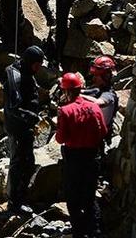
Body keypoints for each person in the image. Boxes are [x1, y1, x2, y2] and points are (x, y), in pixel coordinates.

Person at [56, 72, 108, 238]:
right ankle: (95, 231)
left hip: (74, 158)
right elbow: (104, 131)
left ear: (66, 91)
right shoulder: (94, 107)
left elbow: (60, 138)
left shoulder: (65, 111)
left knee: (73, 197)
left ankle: (79, 232)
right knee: (89, 196)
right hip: (92, 156)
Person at [1, 45, 44, 214]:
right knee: (18, 164)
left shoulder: (26, 72)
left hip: (24, 126)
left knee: (28, 164)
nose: (38, 69)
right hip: (17, 127)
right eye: (37, 65)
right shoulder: (15, 76)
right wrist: (31, 117)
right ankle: (15, 203)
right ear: (29, 62)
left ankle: (19, 198)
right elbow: (13, 107)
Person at [81, 55, 119, 140]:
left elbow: (98, 103)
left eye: (96, 76)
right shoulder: (97, 90)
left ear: (105, 77)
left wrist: (77, 96)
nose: (94, 78)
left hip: (98, 137)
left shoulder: (109, 95)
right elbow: (83, 91)